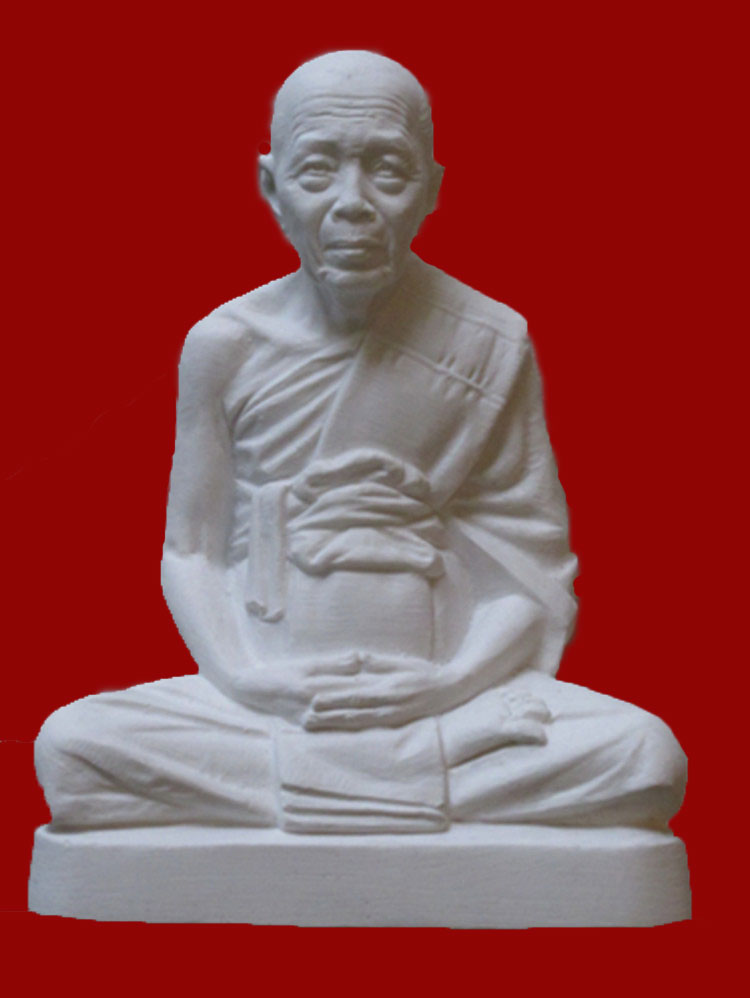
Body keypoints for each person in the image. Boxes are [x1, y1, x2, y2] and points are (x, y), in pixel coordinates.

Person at [35, 51, 686, 834]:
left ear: (432, 189)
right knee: (71, 748)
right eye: (317, 171)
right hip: (270, 702)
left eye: (388, 171)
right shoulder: (225, 346)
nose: (354, 204)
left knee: (646, 758)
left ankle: (311, 795)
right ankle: (397, 790)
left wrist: (447, 686)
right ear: (271, 187)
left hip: (445, 697)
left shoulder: (489, 341)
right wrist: (246, 680)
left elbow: (528, 570)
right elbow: (193, 551)